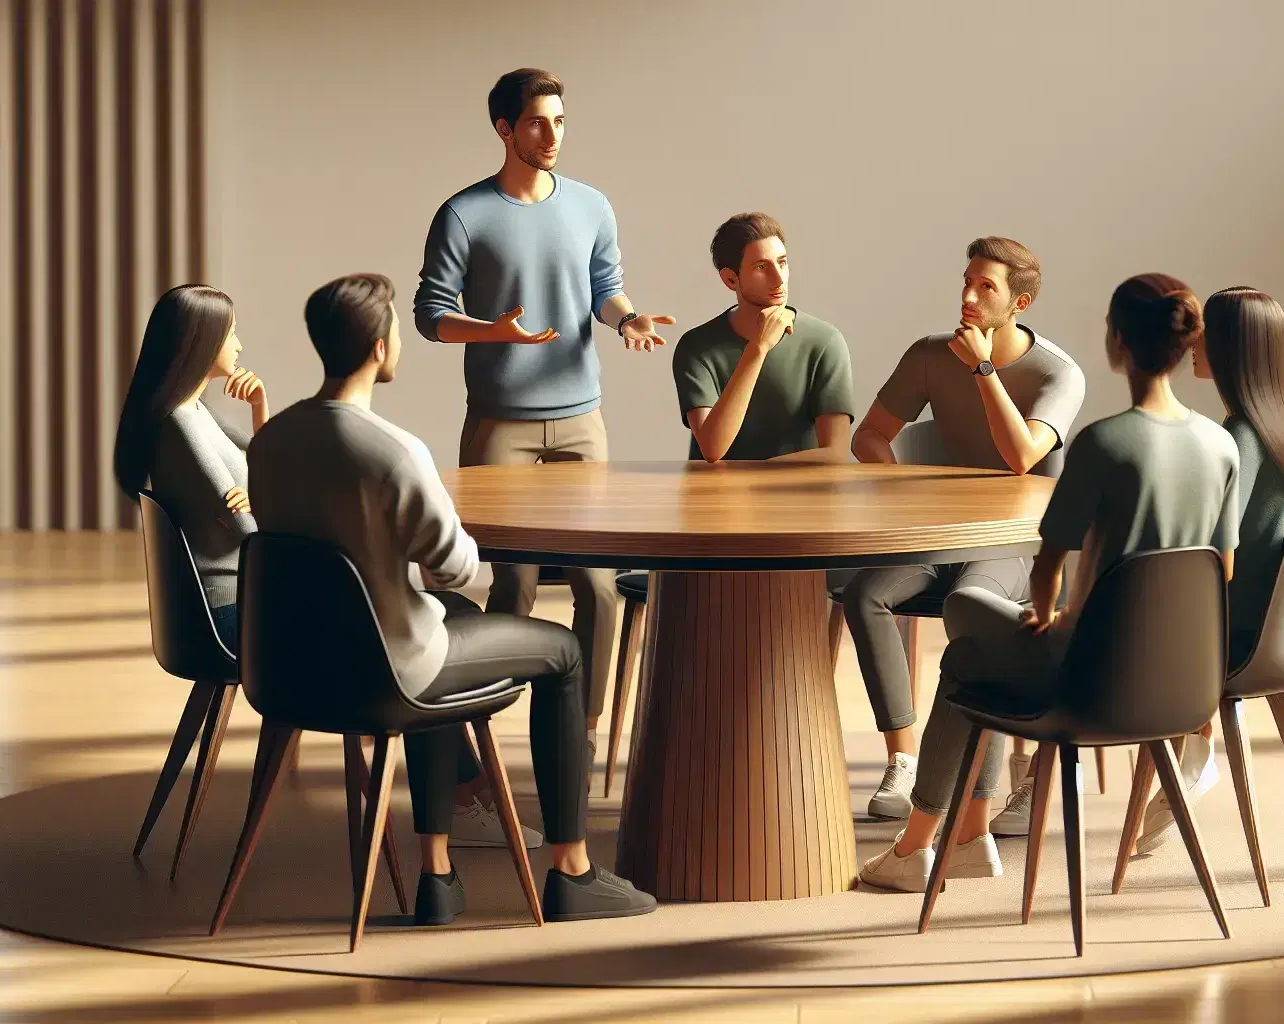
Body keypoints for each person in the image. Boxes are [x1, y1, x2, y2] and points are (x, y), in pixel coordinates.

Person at [249, 274, 655, 925]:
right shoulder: (394, 451)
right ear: (382, 347)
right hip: (393, 666)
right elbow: (461, 569)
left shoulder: (271, 442)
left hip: (297, 666)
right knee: (565, 650)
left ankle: (439, 874)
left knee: (452, 622)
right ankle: (572, 872)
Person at [860, 273, 1241, 892]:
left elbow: (1048, 566)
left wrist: (1045, 617)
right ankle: (966, 839)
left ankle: (924, 845)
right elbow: (1218, 568)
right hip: (1186, 681)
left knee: (969, 656)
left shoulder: (1104, 442)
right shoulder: (1220, 444)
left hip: (1091, 676)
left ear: (1116, 343)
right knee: (981, 641)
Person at [414, 68, 674, 763]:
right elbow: (430, 316)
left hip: (583, 424)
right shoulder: (465, 213)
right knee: (515, 582)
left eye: (559, 121)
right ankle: (485, 739)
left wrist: (628, 320)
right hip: (501, 425)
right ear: (505, 129)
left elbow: (605, 289)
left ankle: (575, 738)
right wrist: (494, 333)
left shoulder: (591, 204)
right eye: (536, 122)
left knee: (600, 586)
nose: (551, 134)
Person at [841, 237, 1085, 819]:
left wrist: (981, 368)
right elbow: (867, 435)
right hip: (936, 531)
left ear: (1018, 302)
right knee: (865, 593)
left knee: (971, 608)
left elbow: (1023, 455)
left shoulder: (1058, 372)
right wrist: (905, 490)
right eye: (967, 282)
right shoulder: (929, 355)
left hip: (1014, 540)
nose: (969, 296)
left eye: (987, 287)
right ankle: (903, 762)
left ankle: (978, 796)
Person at [1121, 285, 1284, 854]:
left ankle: (1185, 744)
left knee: (1102, 634)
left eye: (1205, 330)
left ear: (1233, 345)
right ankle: (1192, 736)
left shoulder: (1238, 436)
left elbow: (1213, 552)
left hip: (1233, 635)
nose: (1192, 340)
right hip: (1277, 629)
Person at [113, 285, 269, 653]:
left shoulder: (197, 414)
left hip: (236, 605)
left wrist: (260, 408)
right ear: (203, 340)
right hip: (228, 614)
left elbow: (271, 462)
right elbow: (254, 537)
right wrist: (267, 502)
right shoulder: (181, 424)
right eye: (231, 334)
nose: (239, 346)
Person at [673, 213, 853, 462]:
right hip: (716, 499)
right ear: (730, 279)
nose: (779, 278)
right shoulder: (696, 347)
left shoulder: (825, 342)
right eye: (761, 267)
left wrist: (758, 480)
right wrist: (758, 348)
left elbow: (836, 453)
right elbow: (713, 449)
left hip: (798, 498)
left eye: (782, 262)